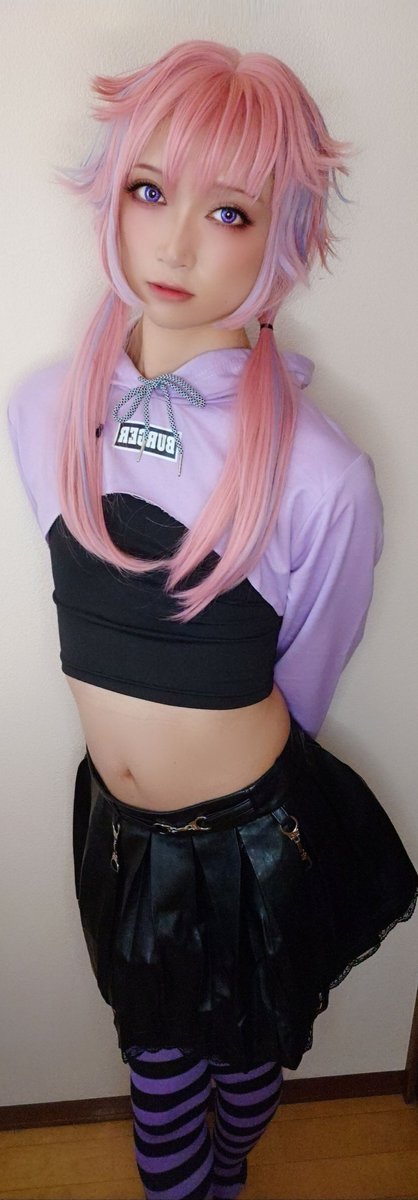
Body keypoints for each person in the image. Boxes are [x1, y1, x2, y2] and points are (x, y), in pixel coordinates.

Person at [7, 39, 418, 1200]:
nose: (176, 244)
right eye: (150, 191)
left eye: (228, 211)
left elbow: (309, 672)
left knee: (242, 1075)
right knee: (160, 1083)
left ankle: (232, 1165)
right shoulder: (42, 413)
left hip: (256, 845)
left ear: (281, 235)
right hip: (125, 839)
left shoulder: (319, 476)